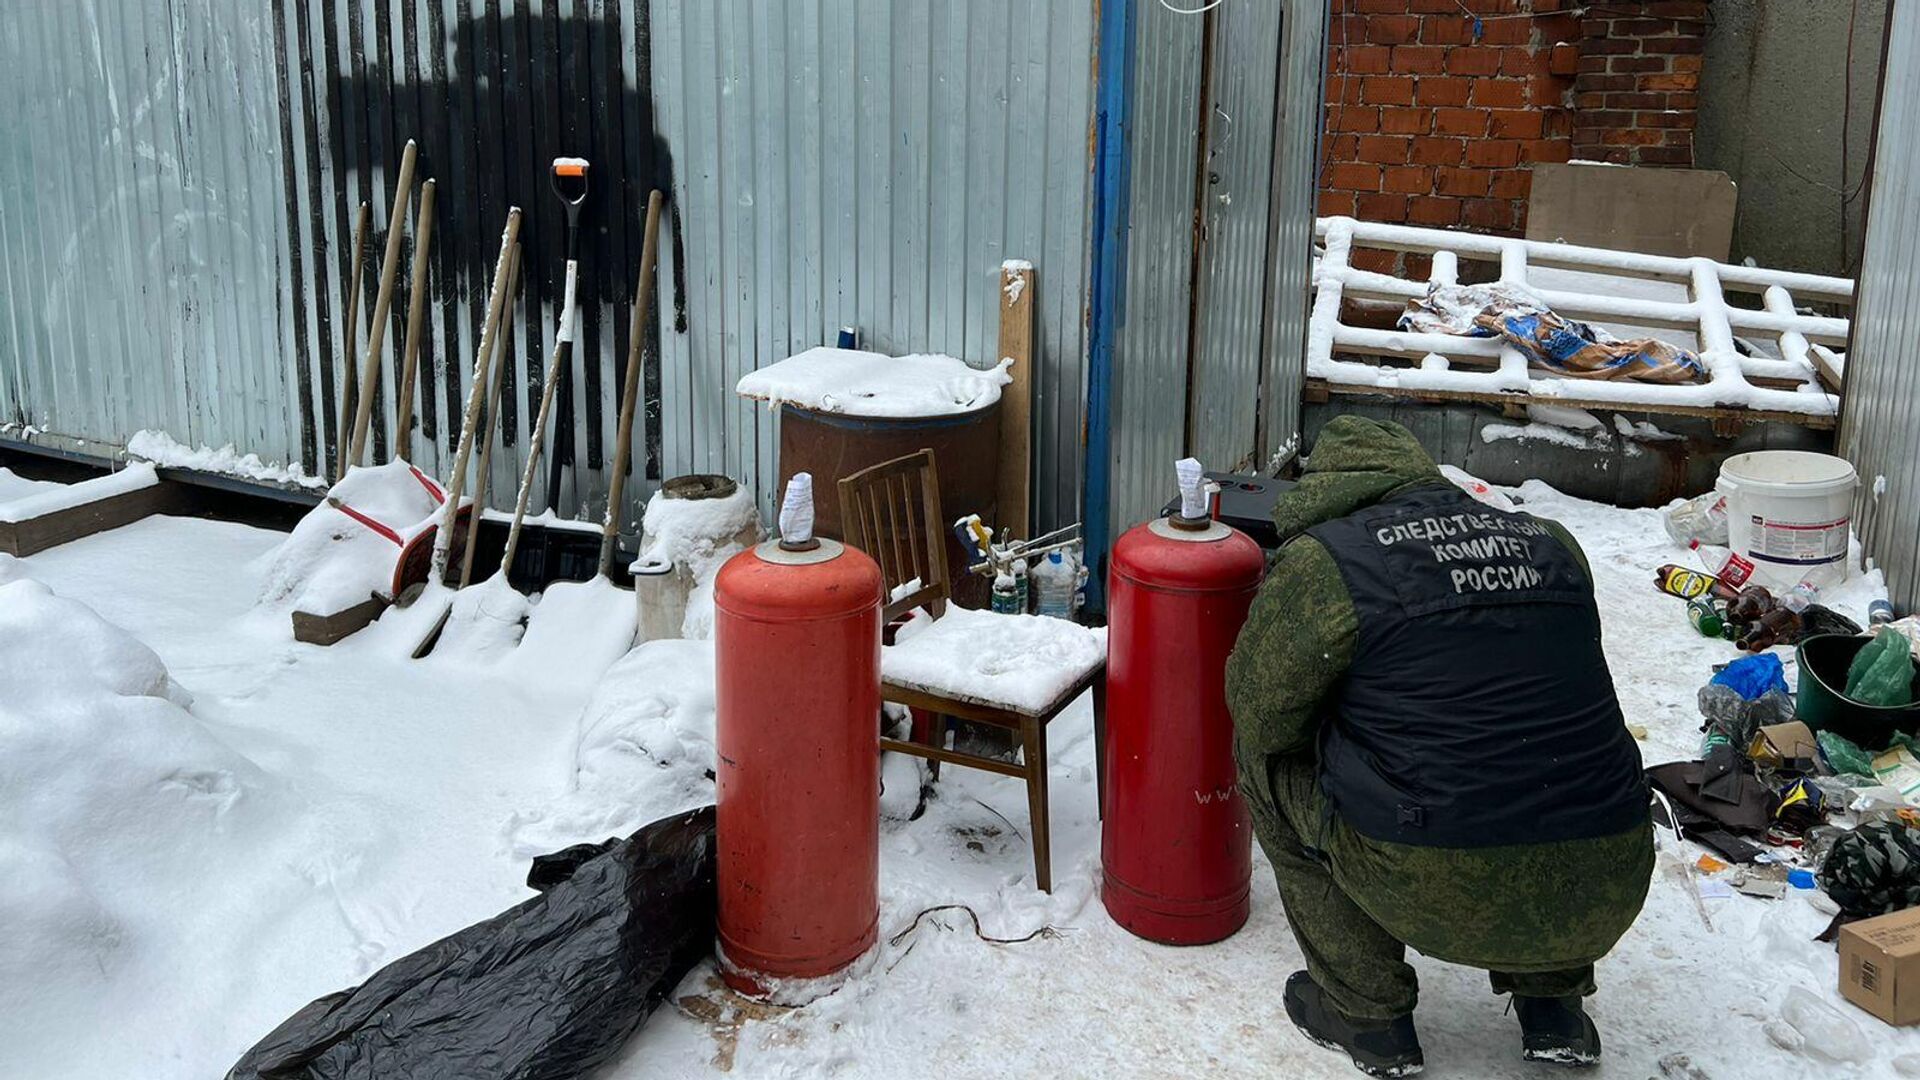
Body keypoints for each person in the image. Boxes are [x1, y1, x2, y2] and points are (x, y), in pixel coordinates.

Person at [1225, 417, 1653, 1077]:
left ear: (1327, 486)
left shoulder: (1330, 559)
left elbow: (1261, 715)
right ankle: (1554, 1007)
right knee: (1549, 753)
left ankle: (1366, 1017)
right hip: (1610, 873)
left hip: (1431, 875)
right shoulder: (1552, 542)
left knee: (1266, 764)